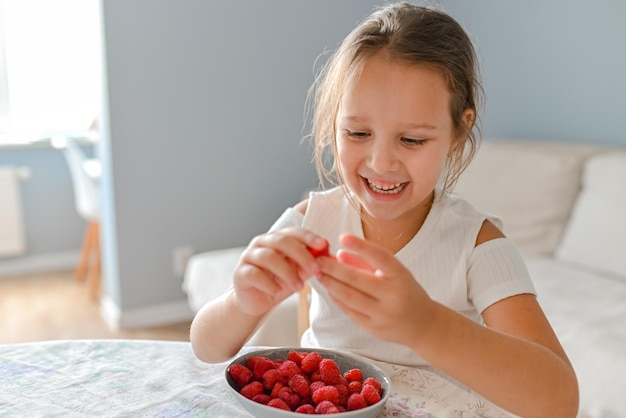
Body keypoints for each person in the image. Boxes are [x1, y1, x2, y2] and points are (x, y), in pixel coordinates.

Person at [190, 2, 579, 416]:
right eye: (358, 133)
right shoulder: (312, 222)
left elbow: (559, 402)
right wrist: (241, 301)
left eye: (412, 140)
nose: (381, 163)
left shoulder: (477, 244)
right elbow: (206, 347)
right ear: (333, 122)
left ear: (458, 131)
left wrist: (425, 324)